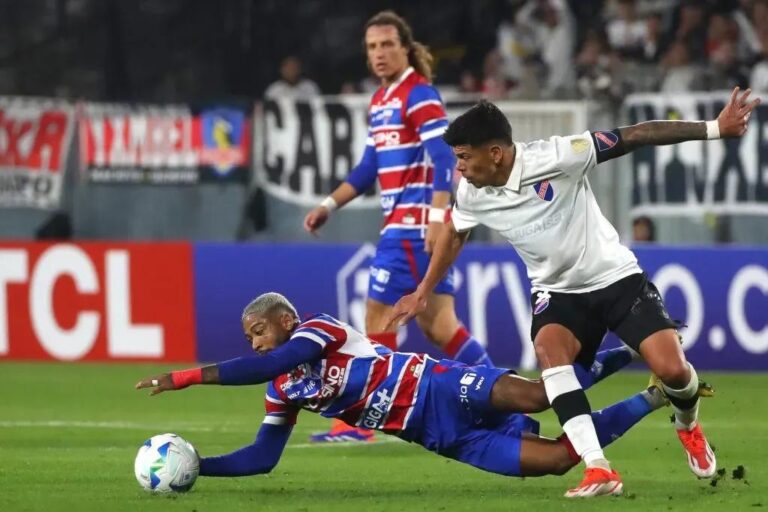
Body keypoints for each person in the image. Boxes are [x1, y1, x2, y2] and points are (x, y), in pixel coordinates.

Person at [386, 88, 760, 497]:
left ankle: (687, 425)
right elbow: (455, 231)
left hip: (615, 279)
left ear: (495, 153)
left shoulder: (558, 155)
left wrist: (714, 129)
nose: (458, 169)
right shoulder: (473, 193)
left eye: (463, 157)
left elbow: (634, 134)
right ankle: (598, 468)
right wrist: (424, 289)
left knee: (673, 371)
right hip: (557, 293)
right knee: (550, 353)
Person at [135, 292, 679, 494]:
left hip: (439, 387)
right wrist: (199, 467)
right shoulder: (283, 390)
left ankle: (620, 352)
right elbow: (262, 456)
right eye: (249, 339)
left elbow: (277, 360)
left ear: (284, 320)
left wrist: (183, 377)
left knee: (539, 397)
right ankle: (655, 397)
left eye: (257, 332)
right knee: (561, 459)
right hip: (440, 436)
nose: (254, 345)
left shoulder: (317, 332)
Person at [302, 11, 493, 441]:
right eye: (372, 47)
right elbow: (369, 165)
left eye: (387, 44)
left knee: (377, 317)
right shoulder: (382, 100)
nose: (379, 53)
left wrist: (438, 215)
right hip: (408, 226)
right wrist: (329, 204)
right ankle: (497, 387)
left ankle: (370, 421)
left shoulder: (419, 94)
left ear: (405, 48)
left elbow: (446, 156)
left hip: (411, 228)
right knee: (440, 325)